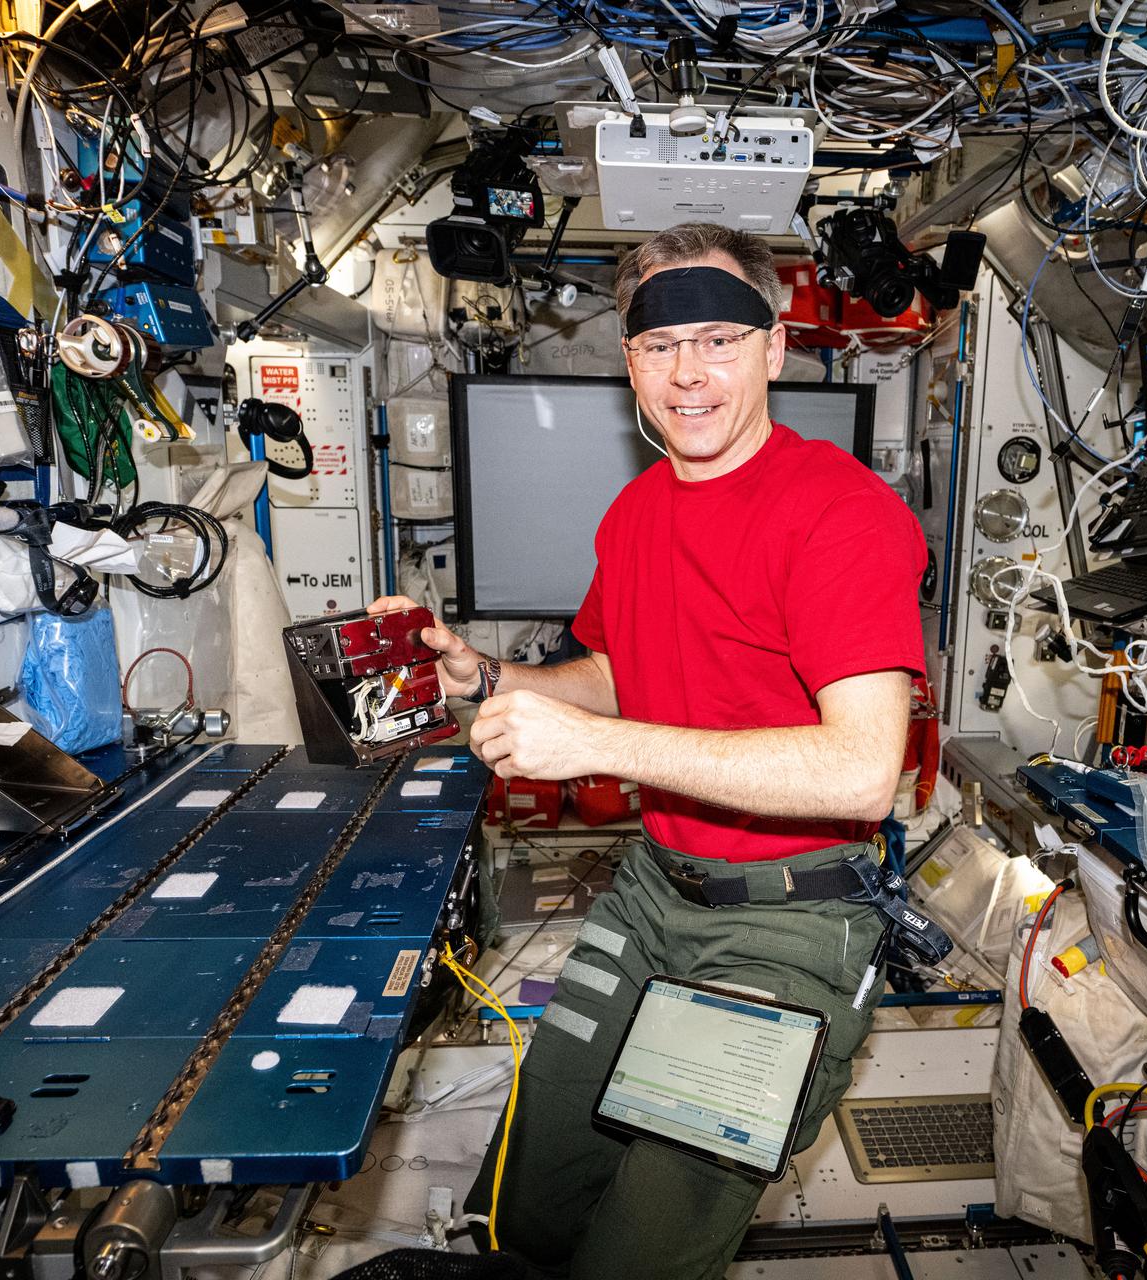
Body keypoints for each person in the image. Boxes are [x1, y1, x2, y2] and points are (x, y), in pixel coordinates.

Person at [367, 221, 927, 1279]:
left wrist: (594, 741)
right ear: (629, 360)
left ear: (774, 347)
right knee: (526, 1207)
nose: (690, 374)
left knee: (638, 1253)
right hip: (652, 894)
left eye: (719, 339)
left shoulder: (840, 513)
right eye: (661, 347)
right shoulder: (637, 511)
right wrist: (488, 678)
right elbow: (623, 675)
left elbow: (862, 766)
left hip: (789, 926)